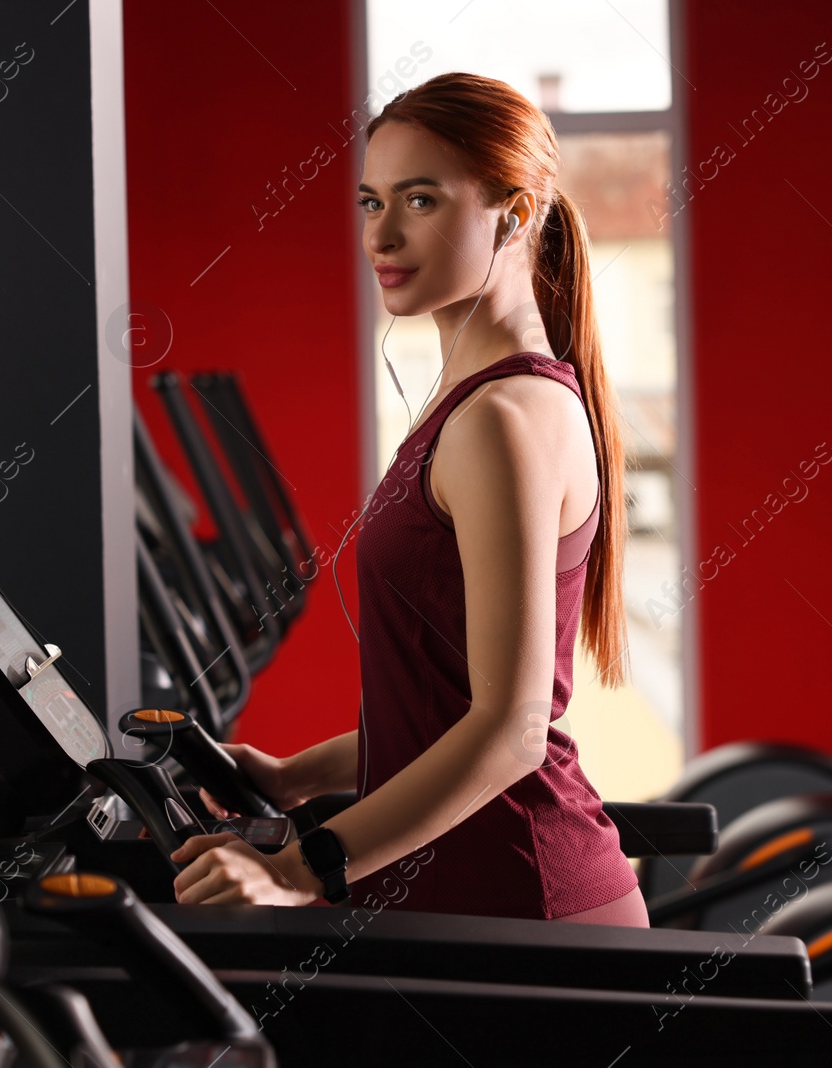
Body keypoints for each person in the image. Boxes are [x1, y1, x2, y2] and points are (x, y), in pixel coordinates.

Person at [170, 71, 647, 927]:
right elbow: (443, 710)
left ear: (516, 211)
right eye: (369, 201)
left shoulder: (505, 416)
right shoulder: (474, 400)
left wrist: (300, 869)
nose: (381, 234)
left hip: (525, 902)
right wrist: (296, 777)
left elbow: (511, 731)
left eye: (420, 200)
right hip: (466, 893)